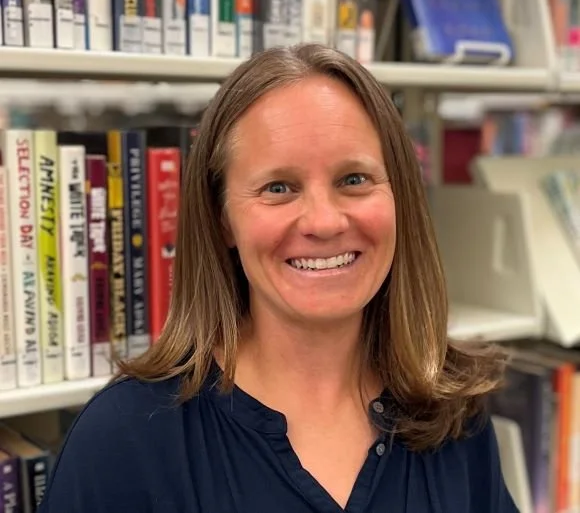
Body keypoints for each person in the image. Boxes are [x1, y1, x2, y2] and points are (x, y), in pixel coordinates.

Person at [37, 43, 518, 513]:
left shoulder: (453, 413)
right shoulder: (125, 438)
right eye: (279, 188)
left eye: (353, 179)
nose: (324, 221)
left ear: (401, 199)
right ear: (222, 218)